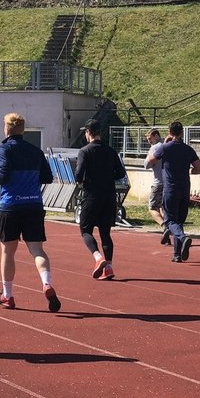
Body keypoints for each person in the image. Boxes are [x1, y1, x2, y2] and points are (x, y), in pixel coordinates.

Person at [0, 112, 60, 312]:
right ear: (23, 130)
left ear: (7, 129)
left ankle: (8, 295)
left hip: (11, 206)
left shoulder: (3, 149)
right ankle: (46, 283)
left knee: (8, 251)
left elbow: (3, 174)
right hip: (33, 206)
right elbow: (48, 177)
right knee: (37, 250)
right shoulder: (35, 151)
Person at [75, 119, 127, 280]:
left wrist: (82, 180)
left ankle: (99, 258)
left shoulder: (84, 151)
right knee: (105, 233)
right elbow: (120, 174)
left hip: (91, 196)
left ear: (88, 133)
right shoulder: (111, 151)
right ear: (100, 133)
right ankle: (109, 267)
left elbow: (78, 174)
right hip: (109, 196)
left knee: (85, 230)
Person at [160, 120, 200, 262]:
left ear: (169, 132)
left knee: (170, 220)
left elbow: (150, 159)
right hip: (184, 188)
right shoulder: (188, 149)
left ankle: (183, 238)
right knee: (179, 221)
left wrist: (164, 143)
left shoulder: (165, 148)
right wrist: (190, 171)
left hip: (170, 189)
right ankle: (177, 254)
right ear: (182, 132)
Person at [143, 127, 171, 248]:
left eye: (150, 138)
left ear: (155, 136)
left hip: (158, 183)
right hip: (167, 182)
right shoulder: (168, 146)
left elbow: (146, 165)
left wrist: (150, 153)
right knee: (163, 208)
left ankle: (165, 226)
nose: (149, 141)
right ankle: (168, 234)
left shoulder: (155, 148)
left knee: (152, 208)